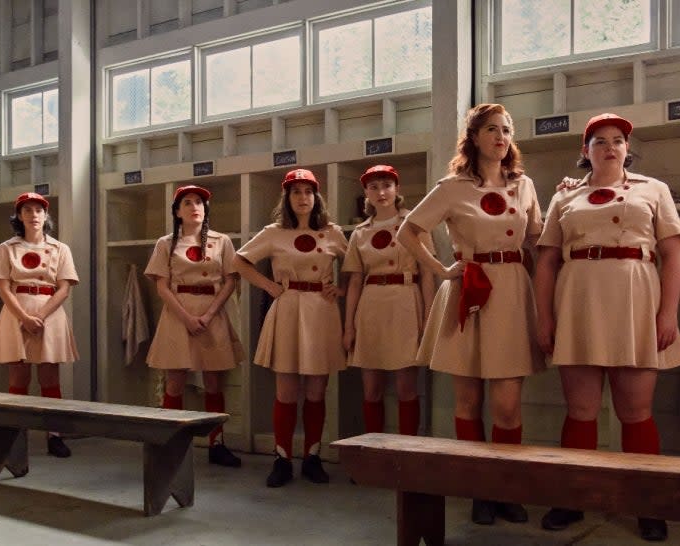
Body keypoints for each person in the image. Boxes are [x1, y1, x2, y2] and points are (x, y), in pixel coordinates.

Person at [533, 113, 680, 541]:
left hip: (637, 299)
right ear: (585, 152)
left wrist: (668, 312)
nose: (609, 146)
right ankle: (572, 496)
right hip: (578, 299)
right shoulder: (564, 197)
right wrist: (545, 316)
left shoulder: (653, 190)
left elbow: (673, 255)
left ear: (627, 148)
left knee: (636, 411)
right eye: (599, 140)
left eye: (617, 140)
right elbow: (546, 260)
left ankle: (646, 502)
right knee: (580, 410)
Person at [396, 103, 544, 525]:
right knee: (468, 398)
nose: (502, 137)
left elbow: (538, 238)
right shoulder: (452, 187)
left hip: (513, 289)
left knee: (508, 405)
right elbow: (408, 232)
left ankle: (506, 486)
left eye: (508, 130)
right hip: (470, 288)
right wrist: (442, 270)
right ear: (474, 137)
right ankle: (478, 489)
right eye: (493, 129)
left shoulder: (524, 185)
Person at [233, 168, 348, 487]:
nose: (303, 198)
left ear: (317, 196)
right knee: (286, 391)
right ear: (287, 197)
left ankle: (312, 457)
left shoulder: (333, 232)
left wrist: (341, 290)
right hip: (287, 309)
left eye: (308, 192)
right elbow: (239, 261)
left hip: (322, 312)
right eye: (296, 192)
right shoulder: (273, 232)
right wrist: (269, 287)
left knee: (316, 391)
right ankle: (282, 459)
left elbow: (356, 267)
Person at [144, 184, 244, 468]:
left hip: (212, 313)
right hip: (177, 314)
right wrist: (186, 317)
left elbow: (230, 280)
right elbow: (161, 284)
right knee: (174, 382)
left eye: (199, 202)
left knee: (214, 382)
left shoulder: (221, 241)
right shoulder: (165, 243)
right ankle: (170, 444)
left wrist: (210, 314)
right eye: (187, 202)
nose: (194, 207)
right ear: (177, 211)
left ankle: (217, 443)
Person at [342, 165, 435, 436]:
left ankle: (407, 454)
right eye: (374, 187)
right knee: (371, 388)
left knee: (407, 386)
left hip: (406, 302)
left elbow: (427, 274)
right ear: (366, 194)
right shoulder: (360, 232)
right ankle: (374, 452)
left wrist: (428, 318)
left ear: (397, 189)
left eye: (386, 185)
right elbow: (355, 280)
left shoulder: (415, 225)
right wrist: (349, 327)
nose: (381, 192)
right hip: (370, 307)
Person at [0, 192, 79, 458]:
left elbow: (64, 288)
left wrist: (42, 316)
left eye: (39, 210)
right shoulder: (7, 248)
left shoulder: (61, 249)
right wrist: (24, 318)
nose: (34, 214)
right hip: (17, 311)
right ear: (19, 216)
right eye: (27, 210)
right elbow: (2, 287)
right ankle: (17, 434)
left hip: (50, 311)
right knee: (19, 376)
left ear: (46, 215)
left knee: (50, 376)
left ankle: (55, 435)